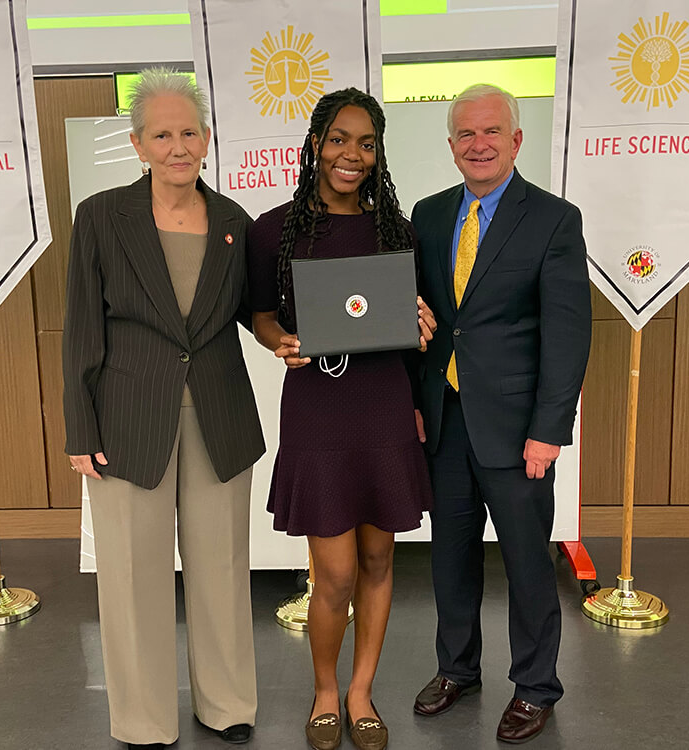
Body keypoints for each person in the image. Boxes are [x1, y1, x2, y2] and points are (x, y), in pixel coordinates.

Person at [62, 68, 265, 749]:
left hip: (219, 417)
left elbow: (252, 313)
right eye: (162, 134)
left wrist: (297, 337)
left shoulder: (235, 222)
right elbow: (81, 329)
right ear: (138, 144)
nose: (178, 146)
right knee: (131, 578)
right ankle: (144, 721)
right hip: (125, 421)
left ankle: (228, 706)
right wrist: (78, 427)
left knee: (221, 569)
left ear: (206, 139)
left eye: (189, 131)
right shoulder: (100, 217)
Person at [246, 87, 436, 750]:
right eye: (338, 139)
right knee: (333, 573)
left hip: (382, 406)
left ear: (378, 154)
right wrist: (278, 341)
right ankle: (324, 690)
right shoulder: (275, 229)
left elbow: (413, 317)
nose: (350, 155)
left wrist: (421, 324)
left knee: (380, 559)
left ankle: (361, 693)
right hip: (318, 413)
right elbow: (260, 310)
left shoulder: (396, 230)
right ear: (315, 145)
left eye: (365, 143)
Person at [410, 83, 591, 744]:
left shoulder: (552, 219)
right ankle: (457, 669)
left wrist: (549, 430)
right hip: (446, 419)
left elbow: (568, 336)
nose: (478, 144)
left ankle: (536, 686)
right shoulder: (427, 216)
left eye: (492, 132)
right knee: (449, 556)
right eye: (466, 134)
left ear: (516, 141)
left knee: (524, 561)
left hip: (519, 432)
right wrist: (414, 404)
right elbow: (423, 321)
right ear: (452, 145)